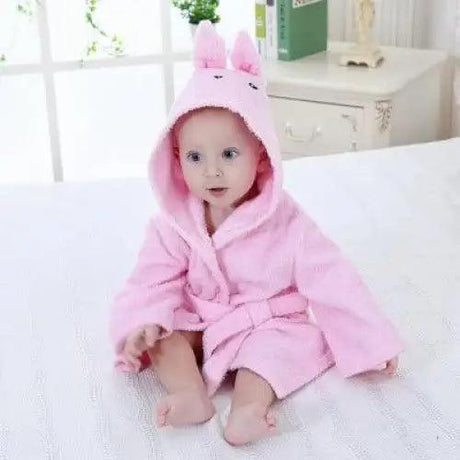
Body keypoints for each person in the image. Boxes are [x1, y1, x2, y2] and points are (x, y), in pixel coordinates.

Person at [109, 20, 404, 446]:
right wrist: (144, 322)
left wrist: (371, 343)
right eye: (195, 157)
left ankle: (249, 407)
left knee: (272, 352)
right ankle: (189, 394)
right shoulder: (172, 223)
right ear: (176, 159)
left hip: (266, 321)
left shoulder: (286, 221)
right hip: (202, 318)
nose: (212, 171)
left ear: (261, 155)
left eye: (229, 154)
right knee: (165, 337)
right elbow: (150, 281)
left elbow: (333, 279)